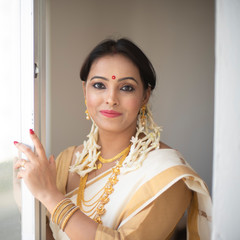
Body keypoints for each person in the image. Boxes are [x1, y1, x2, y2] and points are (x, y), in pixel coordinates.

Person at [14, 38, 212, 239]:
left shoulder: (166, 174)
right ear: (85, 91)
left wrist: (50, 196)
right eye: (99, 85)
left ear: (145, 96)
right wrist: (26, 193)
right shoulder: (67, 162)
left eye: (126, 87)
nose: (111, 99)